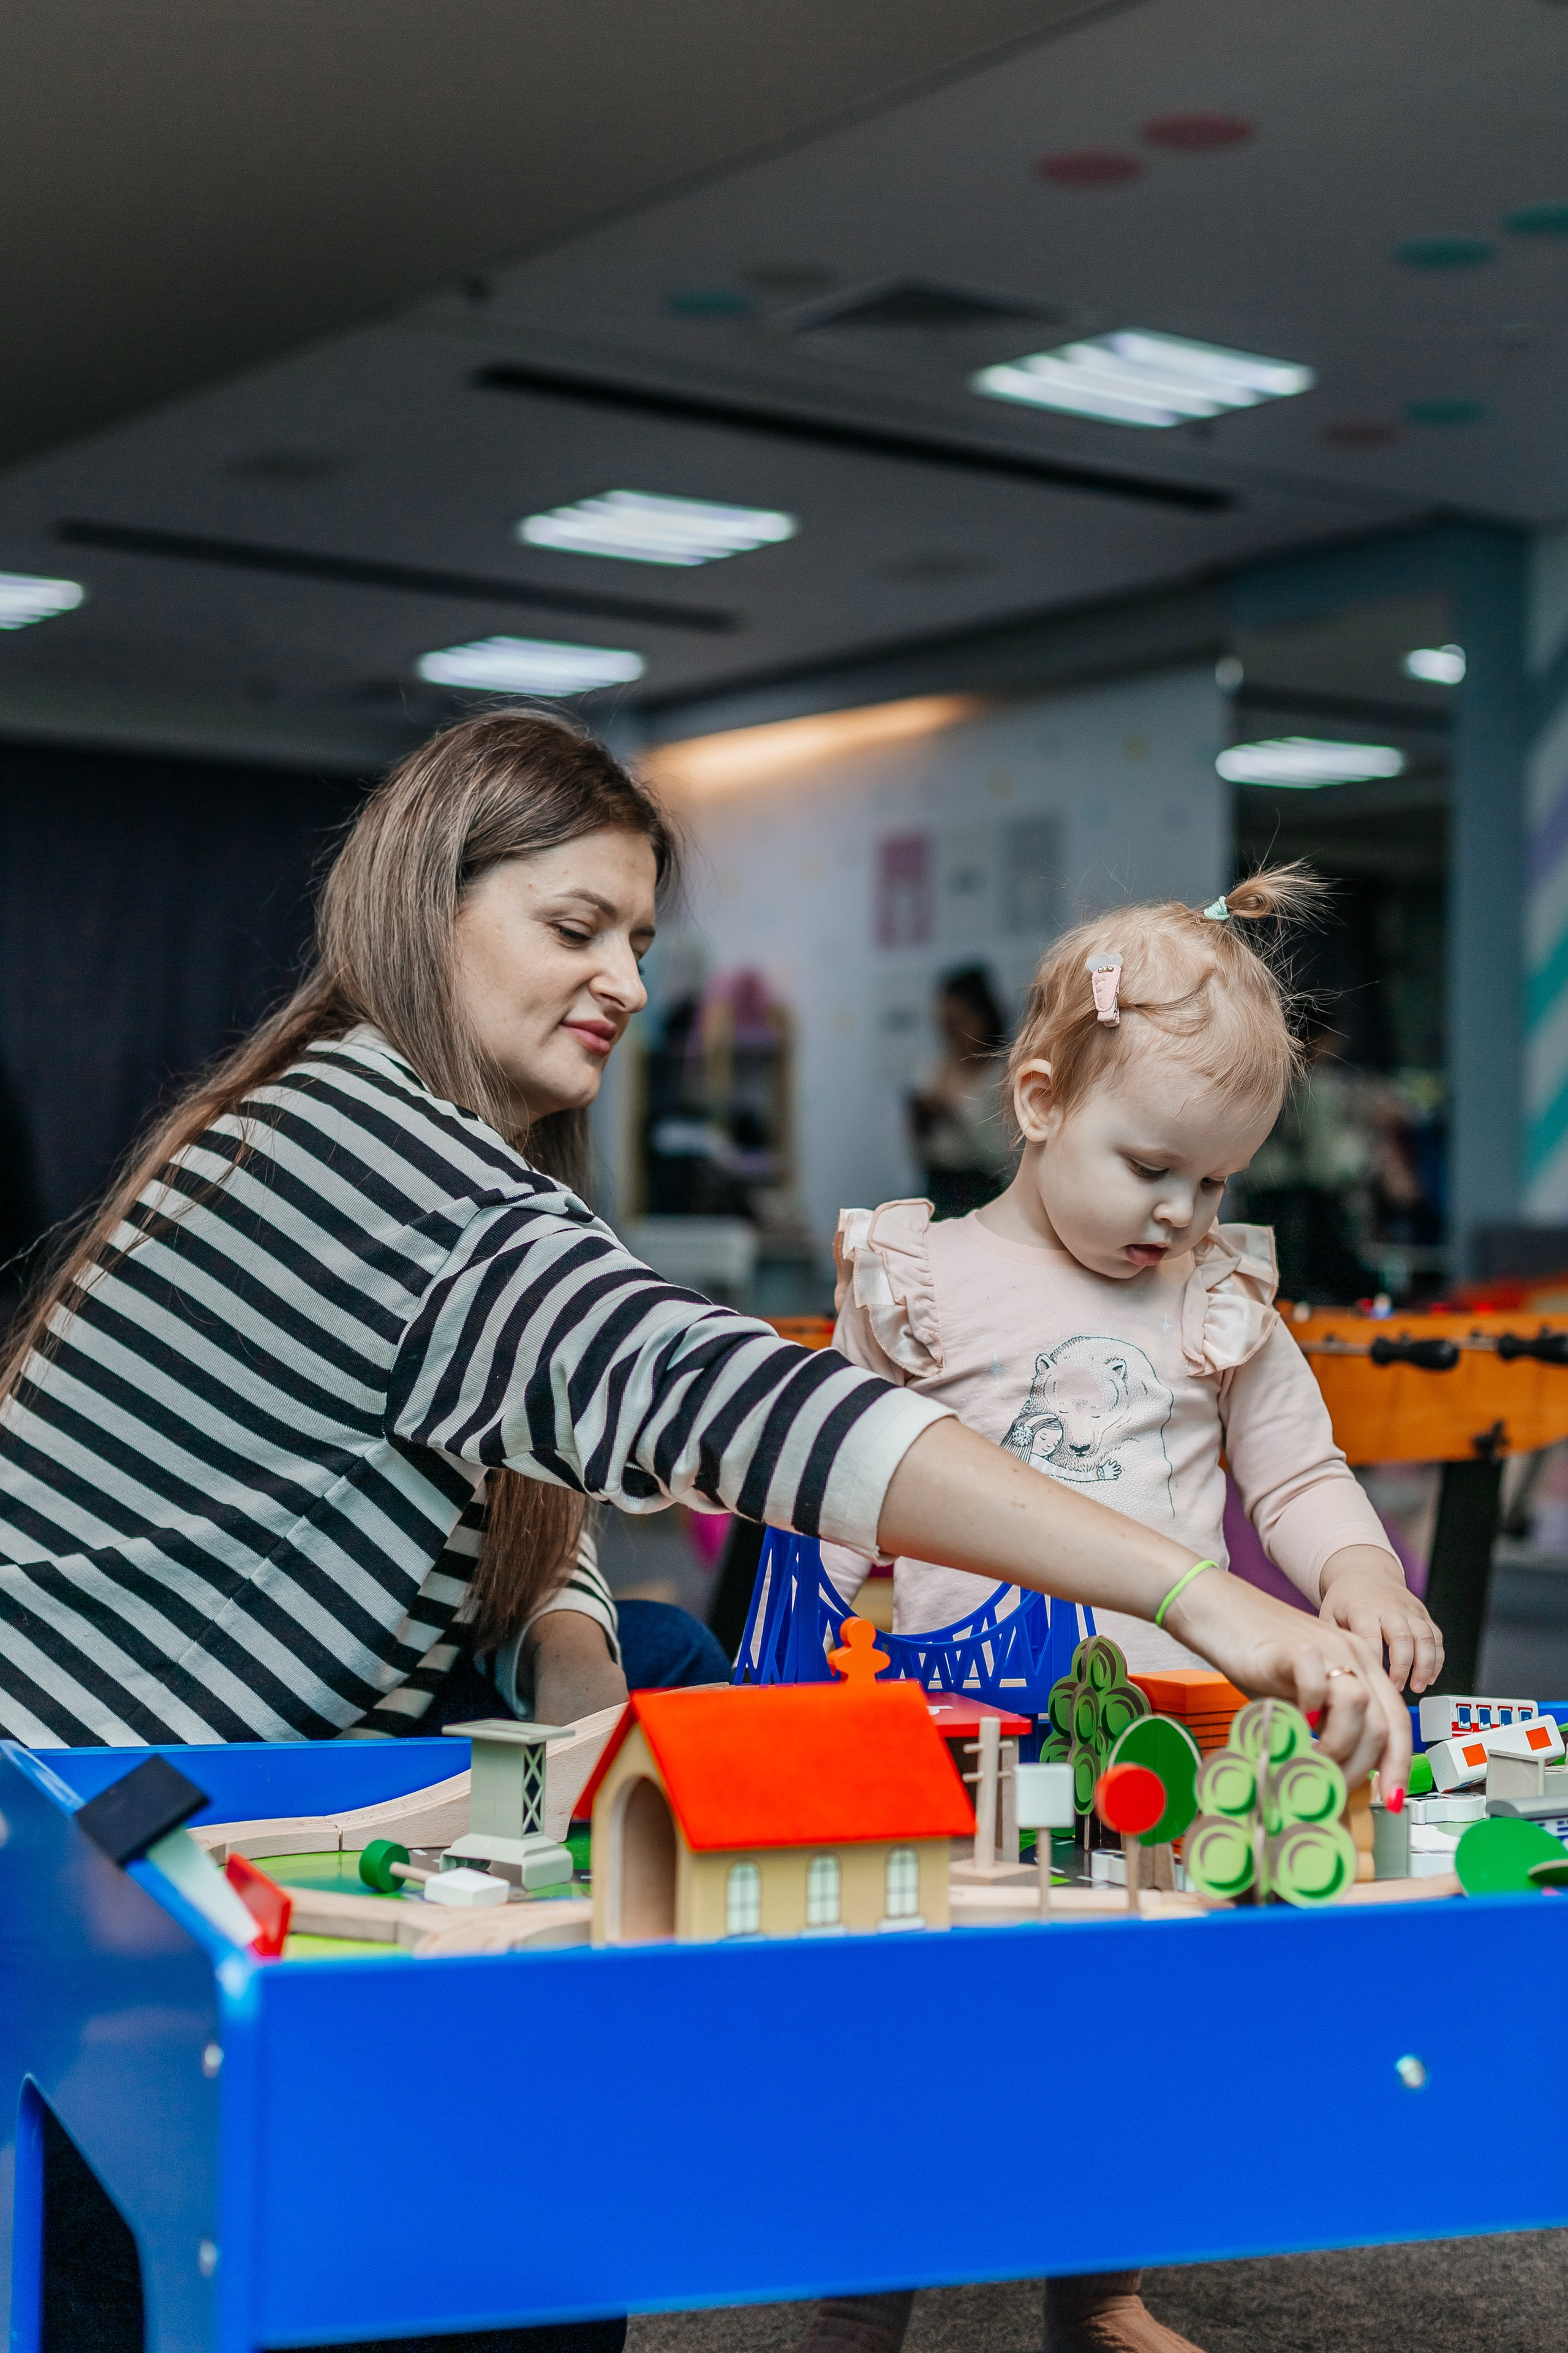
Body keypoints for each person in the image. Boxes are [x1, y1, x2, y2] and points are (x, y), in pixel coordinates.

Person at [0, 721, 1413, 2346]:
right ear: (424, 905)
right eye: (571, 926)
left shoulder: (366, 1127)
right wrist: (1194, 1588)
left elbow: (523, 1463)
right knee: (529, 2229)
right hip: (92, 1846)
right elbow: (732, 1404)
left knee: (664, 1663)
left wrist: (572, 1642)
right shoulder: (391, 1172)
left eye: (640, 942)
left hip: (157, 1757)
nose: (624, 981)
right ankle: (490, 2209)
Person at [812, 867, 1443, 2353]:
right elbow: (827, 1485)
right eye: (1152, 1164)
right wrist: (812, 1671)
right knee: (906, 2027)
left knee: (1120, 2023)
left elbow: (1295, 1472)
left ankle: (1096, 2285)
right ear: (1036, 1097)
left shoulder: (1215, 1298)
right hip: (940, 1732)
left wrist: (1358, 1572)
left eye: (1216, 1182)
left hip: (1149, 1741)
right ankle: (858, 2297)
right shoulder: (920, 1276)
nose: (1180, 1213)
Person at [907, 964, 1013, 1218]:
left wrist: (951, 1117)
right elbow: (919, 1153)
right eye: (944, 1024)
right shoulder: (931, 1071)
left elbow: (1001, 1158)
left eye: (959, 1022)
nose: (950, 1034)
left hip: (984, 1192)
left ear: (983, 1017)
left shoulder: (1002, 1075)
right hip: (936, 1187)